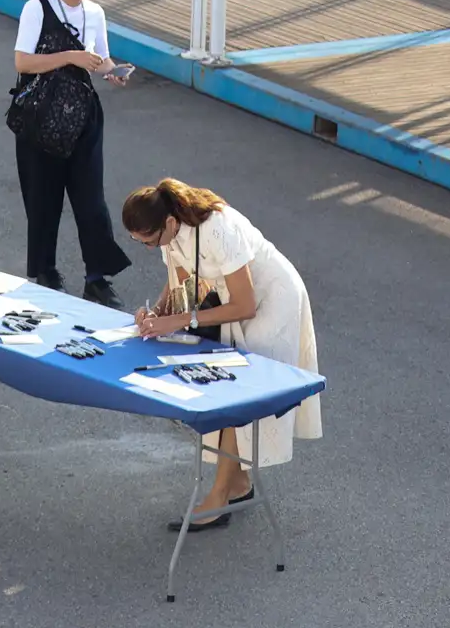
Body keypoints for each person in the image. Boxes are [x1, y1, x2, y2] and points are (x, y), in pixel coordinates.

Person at [121, 179, 322, 531]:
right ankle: (238, 484)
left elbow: (243, 306)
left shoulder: (216, 229)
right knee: (230, 388)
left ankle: (217, 498)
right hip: (238, 302)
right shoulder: (173, 229)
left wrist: (182, 319)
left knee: (237, 392)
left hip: (271, 301)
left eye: (150, 241)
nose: (149, 248)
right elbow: (181, 280)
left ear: (168, 223)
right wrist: (155, 313)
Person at [12, 0, 132, 306]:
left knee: (91, 200)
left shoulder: (95, 13)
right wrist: (71, 56)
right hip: (40, 118)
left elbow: (102, 59)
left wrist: (114, 72)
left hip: (83, 117)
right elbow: (22, 62)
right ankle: (45, 271)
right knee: (43, 199)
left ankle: (97, 277)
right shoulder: (37, 8)